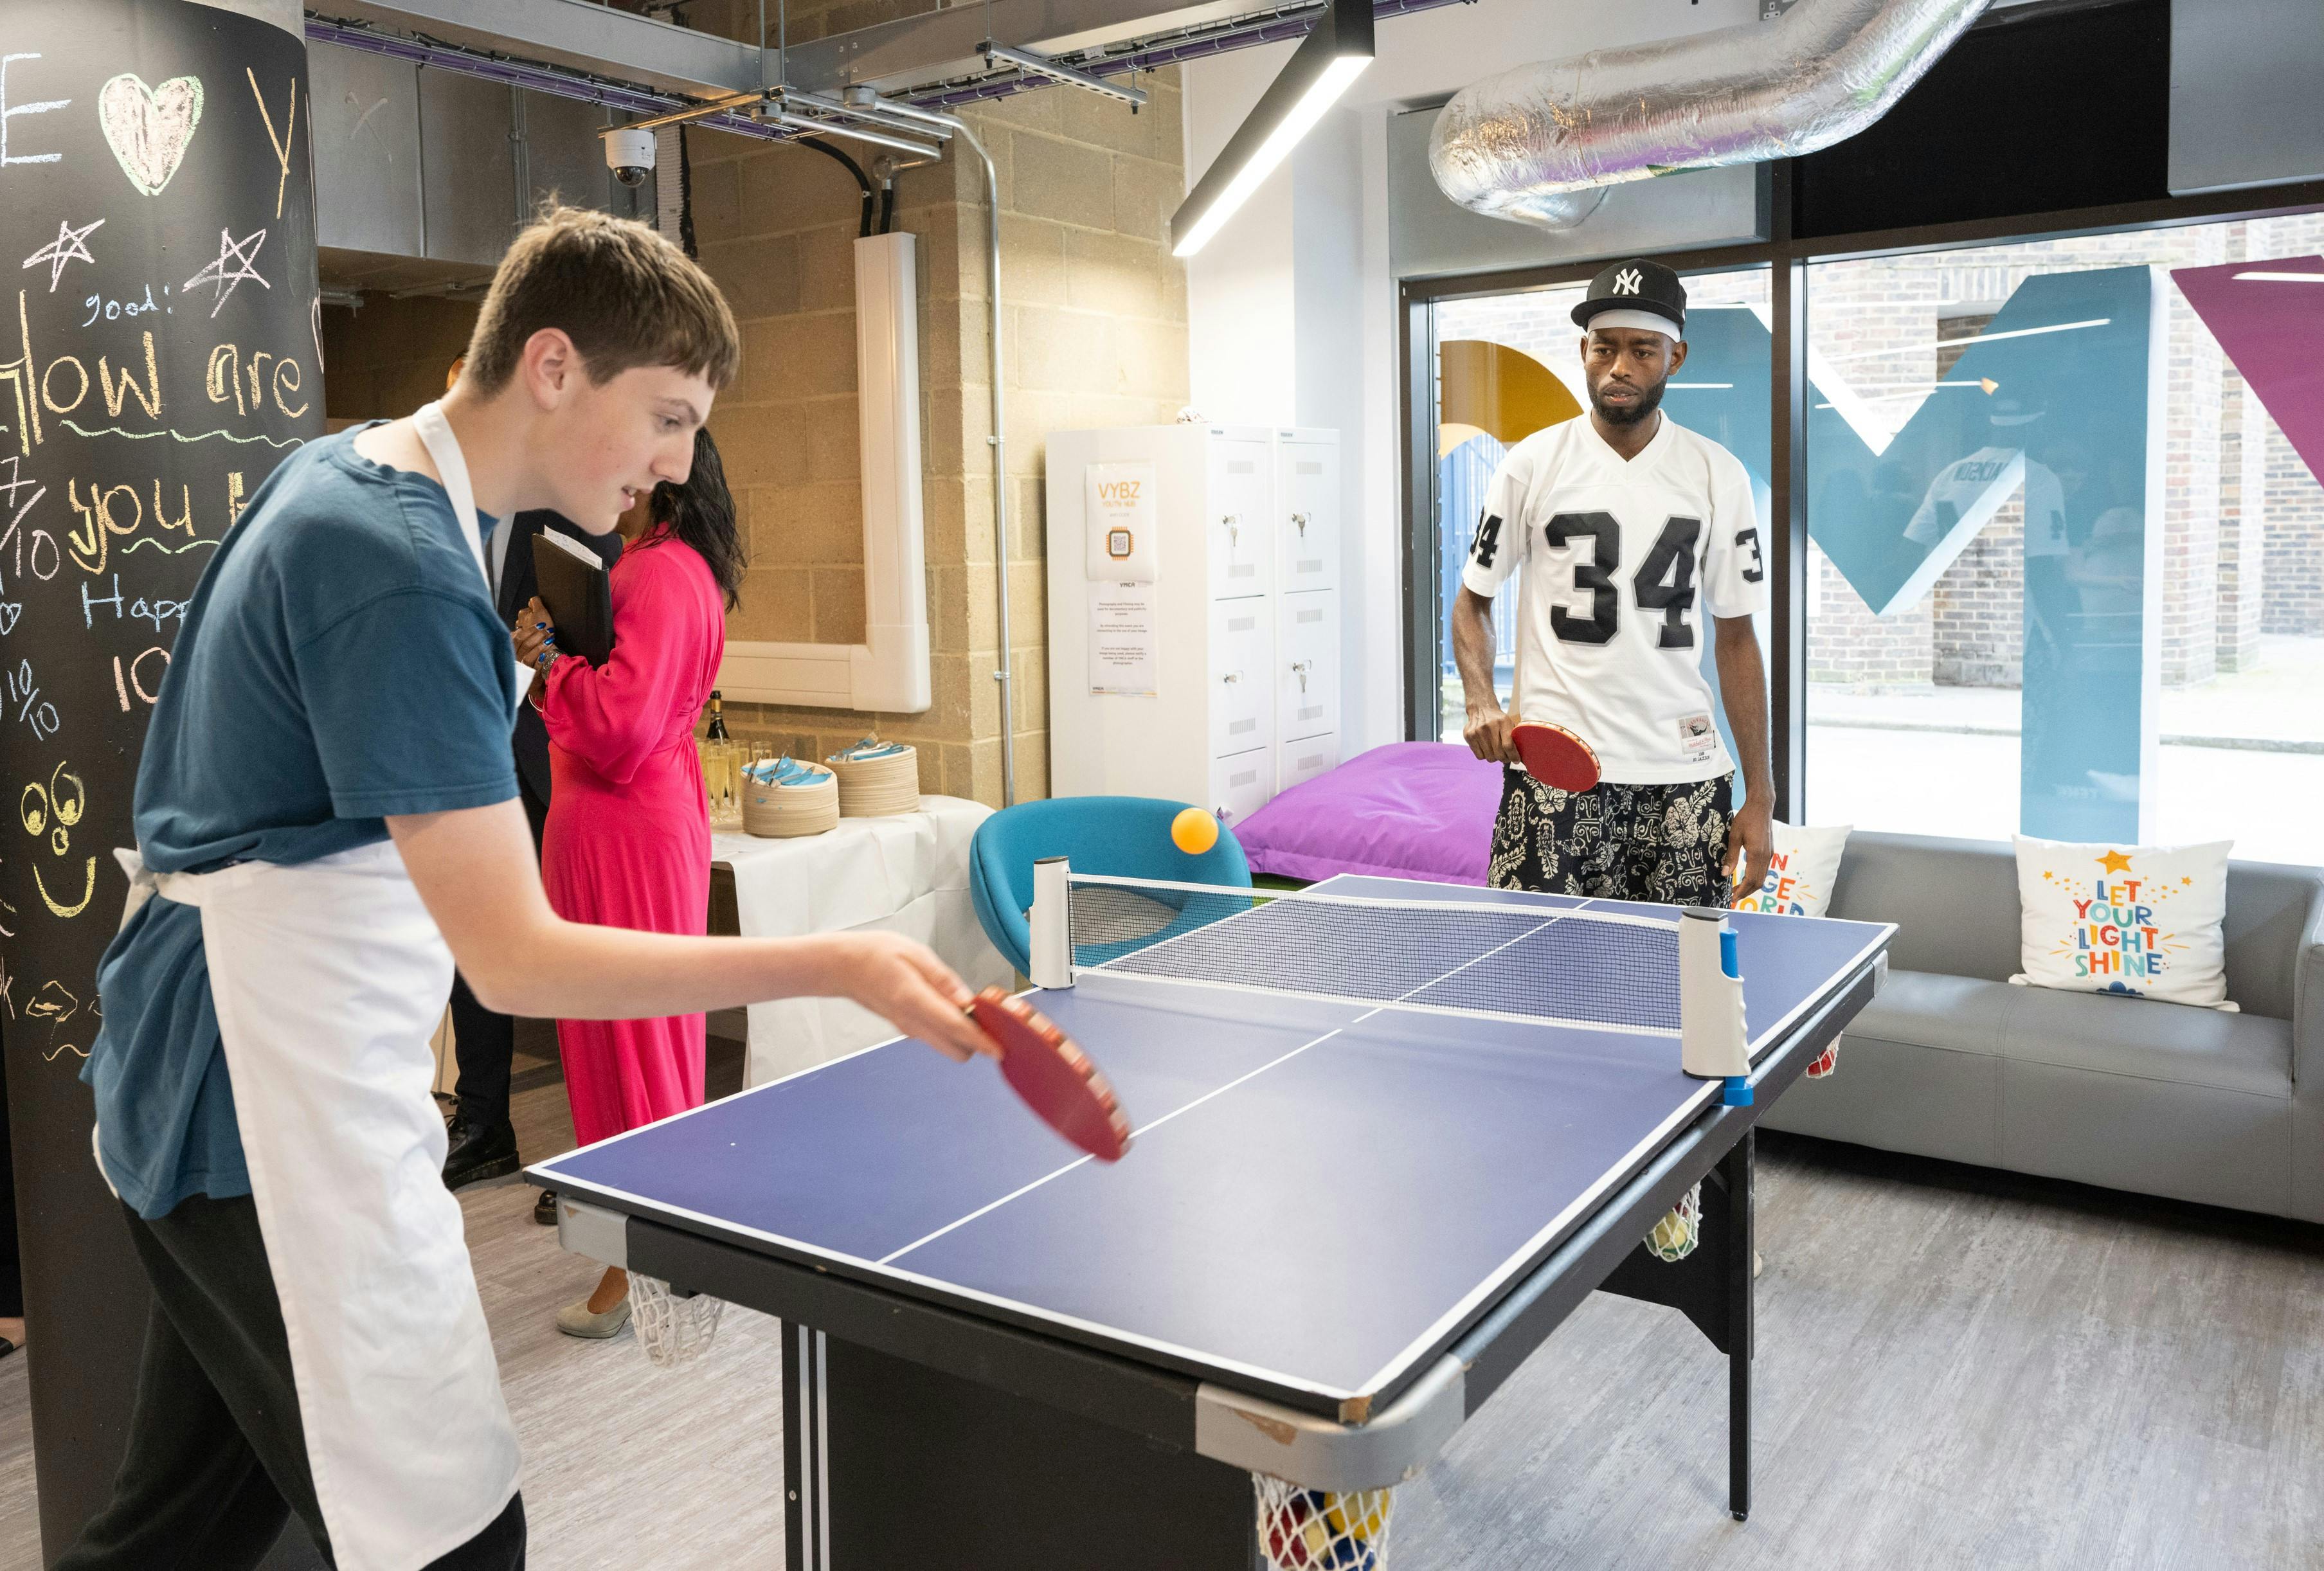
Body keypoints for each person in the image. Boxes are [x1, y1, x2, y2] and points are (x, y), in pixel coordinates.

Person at [62, 205, 995, 1570]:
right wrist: (833, 959)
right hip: (261, 1104)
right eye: (666, 417)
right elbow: (515, 961)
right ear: (552, 366)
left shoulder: (347, 474)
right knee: (454, 1534)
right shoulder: (398, 562)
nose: (676, 463)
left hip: (226, 1071)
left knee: (178, 1527)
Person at [512, 427, 743, 1337]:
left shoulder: (655, 574)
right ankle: (655, 1244)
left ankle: (645, 1255)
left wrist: (547, 660)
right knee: (637, 1035)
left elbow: (618, 724)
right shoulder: (680, 569)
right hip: (635, 819)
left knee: (627, 1043)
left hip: (623, 824)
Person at [1453, 257, 1774, 908]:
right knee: (1533, 962)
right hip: (1553, 775)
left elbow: (1737, 639)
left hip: (1686, 777)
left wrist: (1761, 796)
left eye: (1642, 350)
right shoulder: (1531, 465)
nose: (1619, 367)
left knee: (1683, 968)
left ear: (1675, 357)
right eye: (1604, 348)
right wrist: (1480, 699)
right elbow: (1472, 603)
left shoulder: (1718, 474)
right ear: (1583, 352)